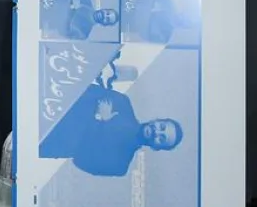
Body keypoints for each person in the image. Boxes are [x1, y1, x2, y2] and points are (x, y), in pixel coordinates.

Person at [38, 65, 184, 177]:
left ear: (156, 147)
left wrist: (100, 121)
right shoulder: (122, 102)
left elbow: (81, 162)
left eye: (161, 138)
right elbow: (79, 89)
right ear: (157, 120)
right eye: (162, 126)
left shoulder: (120, 164)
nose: (157, 132)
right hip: (45, 107)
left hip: (46, 142)